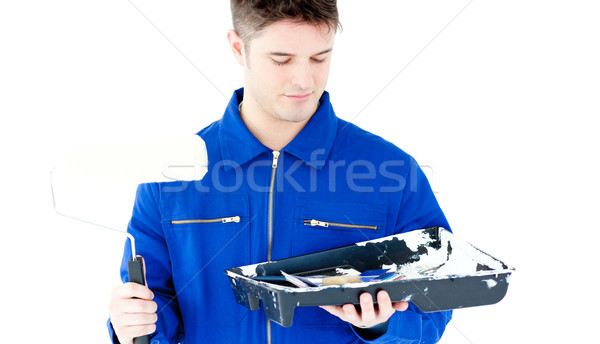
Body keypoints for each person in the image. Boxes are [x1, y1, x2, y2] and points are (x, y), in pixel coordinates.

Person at [108, 1, 452, 343]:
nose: (304, 80)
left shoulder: (392, 173)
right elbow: (154, 308)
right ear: (238, 47)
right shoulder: (171, 176)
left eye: (319, 57)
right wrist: (131, 327)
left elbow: (438, 305)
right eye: (281, 59)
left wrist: (381, 327)